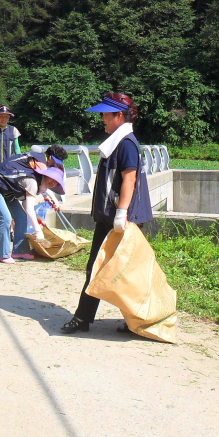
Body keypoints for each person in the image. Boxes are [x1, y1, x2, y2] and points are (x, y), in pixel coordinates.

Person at [62, 93, 153, 333]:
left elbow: (129, 179)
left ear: (118, 116)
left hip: (122, 219)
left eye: (105, 114)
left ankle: (128, 320)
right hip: (112, 217)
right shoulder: (117, 141)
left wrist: (122, 213)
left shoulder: (126, 143)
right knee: (103, 267)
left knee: (117, 269)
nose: (102, 118)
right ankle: (94, 319)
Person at [0, 152, 66, 263]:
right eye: (53, 179)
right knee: (6, 219)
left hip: (8, 194)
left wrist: (51, 200)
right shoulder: (32, 182)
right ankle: (2, 254)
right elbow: (29, 208)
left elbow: (26, 204)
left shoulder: (40, 183)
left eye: (57, 183)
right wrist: (38, 231)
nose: (53, 183)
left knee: (21, 217)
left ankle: (19, 251)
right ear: (47, 175)